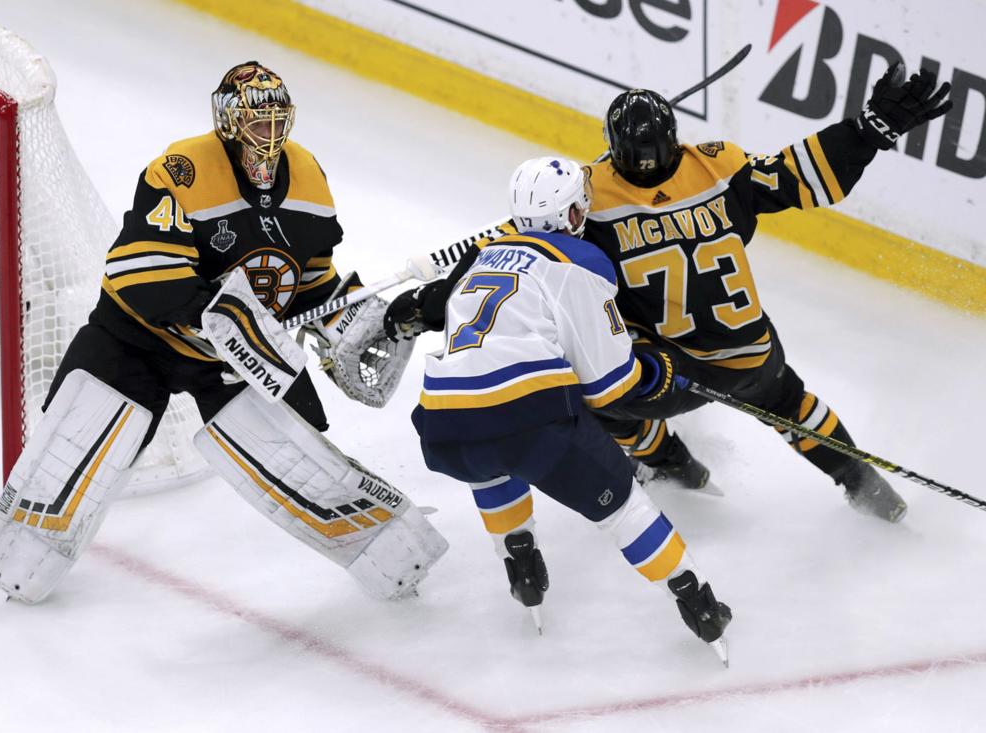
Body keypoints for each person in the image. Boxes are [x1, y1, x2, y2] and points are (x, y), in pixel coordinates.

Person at [386, 63, 952, 523]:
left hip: (668, 374)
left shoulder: (592, 197)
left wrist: (424, 305)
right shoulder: (721, 166)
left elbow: (506, 264)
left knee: (595, 394)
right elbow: (802, 174)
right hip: (751, 352)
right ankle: (876, 496)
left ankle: (678, 469)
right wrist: (869, 128)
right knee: (790, 405)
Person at [0, 61, 446, 604]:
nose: (268, 135)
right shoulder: (182, 169)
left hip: (235, 357)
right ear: (227, 121)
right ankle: (16, 569)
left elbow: (313, 283)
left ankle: (395, 558)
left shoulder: (308, 177)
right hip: (137, 335)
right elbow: (144, 276)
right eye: (255, 122)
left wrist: (384, 319)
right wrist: (245, 330)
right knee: (76, 443)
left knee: (295, 459)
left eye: (276, 121)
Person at [412, 156, 732, 660]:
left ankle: (520, 565)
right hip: (528, 421)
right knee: (623, 507)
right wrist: (658, 371)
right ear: (574, 216)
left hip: (442, 422)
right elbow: (608, 387)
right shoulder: (579, 262)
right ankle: (698, 601)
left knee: (491, 451)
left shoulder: (479, 257)